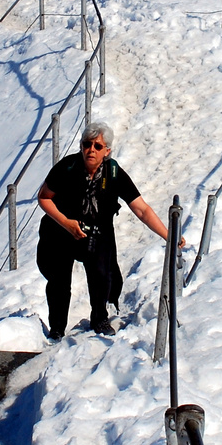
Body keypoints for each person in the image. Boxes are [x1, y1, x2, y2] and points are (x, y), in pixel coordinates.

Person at [36, 122, 176, 339]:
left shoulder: (113, 173)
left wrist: (169, 236)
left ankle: (99, 319)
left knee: (102, 275)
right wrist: (66, 222)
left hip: (97, 231)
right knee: (59, 281)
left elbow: (141, 209)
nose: (91, 150)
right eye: (87, 144)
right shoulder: (67, 167)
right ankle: (56, 329)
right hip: (60, 231)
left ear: (107, 151)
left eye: (98, 146)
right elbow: (44, 197)